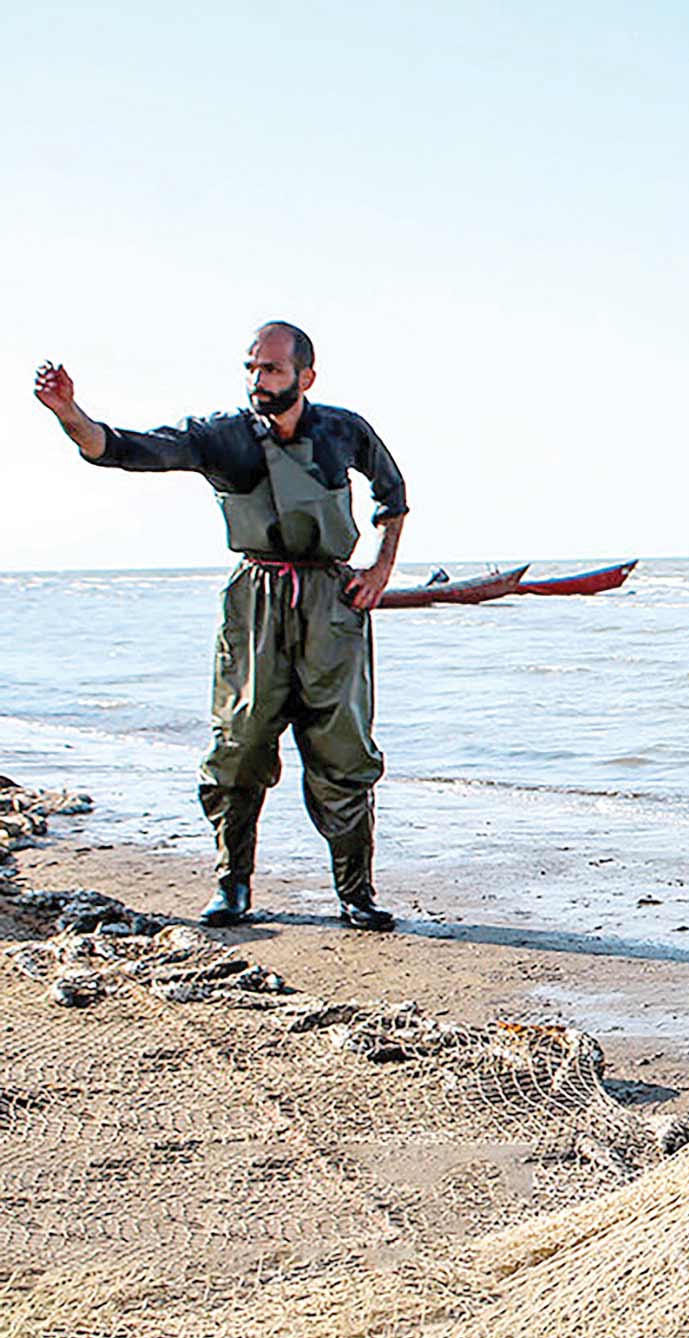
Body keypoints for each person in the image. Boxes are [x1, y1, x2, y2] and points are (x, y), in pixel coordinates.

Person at [32, 323, 409, 932]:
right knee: (239, 743)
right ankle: (232, 884)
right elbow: (123, 448)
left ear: (305, 378)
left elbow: (392, 494)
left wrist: (381, 568)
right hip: (255, 599)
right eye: (252, 369)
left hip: (331, 601)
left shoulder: (343, 430)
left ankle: (355, 892)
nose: (258, 381)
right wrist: (70, 413)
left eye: (272, 371)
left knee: (343, 748)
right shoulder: (222, 436)